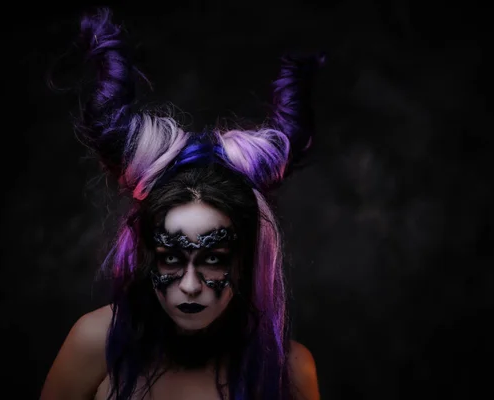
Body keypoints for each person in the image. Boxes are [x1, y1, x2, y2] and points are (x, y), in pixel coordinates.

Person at [40, 8, 323, 400]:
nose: (190, 287)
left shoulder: (289, 371)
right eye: (171, 257)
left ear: (246, 259)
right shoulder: (95, 344)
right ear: (146, 254)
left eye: (215, 257)